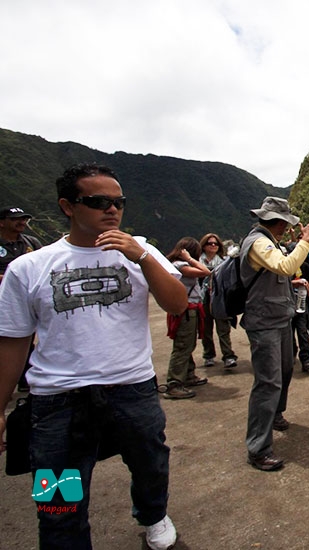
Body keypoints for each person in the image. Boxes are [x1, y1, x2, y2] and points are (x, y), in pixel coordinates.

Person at [0, 163, 188, 550]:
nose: (112, 209)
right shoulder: (29, 268)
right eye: (98, 201)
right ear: (68, 206)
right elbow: (14, 343)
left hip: (132, 389)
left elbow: (176, 303)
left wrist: (143, 257)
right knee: (58, 503)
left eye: (118, 201)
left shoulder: (140, 252)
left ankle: (153, 515)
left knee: (150, 463)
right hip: (58, 400)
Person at [240, 197, 309, 471]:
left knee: (285, 370)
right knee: (267, 382)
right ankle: (258, 447)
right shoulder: (258, 242)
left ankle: (275, 414)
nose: (290, 229)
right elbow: (285, 266)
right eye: (288, 224)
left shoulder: (271, 242)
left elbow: (286, 270)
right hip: (264, 323)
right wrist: (306, 240)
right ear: (280, 222)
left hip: (280, 318)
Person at [0, 206, 43, 393]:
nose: (21, 222)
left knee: (25, 337)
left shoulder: (31, 242)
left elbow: (45, 263)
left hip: (26, 299)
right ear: (2, 222)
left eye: (24, 219)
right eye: (15, 219)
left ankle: (25, 378)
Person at [163, 237, 211, 399]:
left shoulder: (179, 265)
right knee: (183, 345)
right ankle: (174, 383)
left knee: (188, 343)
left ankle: (188, 375)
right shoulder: (180, 266)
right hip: (186, 311)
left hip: (191, 309)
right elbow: (206, 272)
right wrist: (189, 259)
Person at [198, 233, 238, 369]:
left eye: (215, 243)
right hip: (203, 297)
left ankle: (228, 355)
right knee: (206, 328)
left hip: (219, 296)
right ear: (204, 246)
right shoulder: (197, 260)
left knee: (223, 328)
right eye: (210, 243)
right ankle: (208, 354)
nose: (213, 246)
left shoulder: (223, 260)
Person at [285, 228, 309, 374]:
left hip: (301, 301)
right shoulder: (283, 267)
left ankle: (306, 359)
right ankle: (290, 354)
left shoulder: (304, 265)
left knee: (302, 329)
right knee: (289, 330)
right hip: (286, 302)